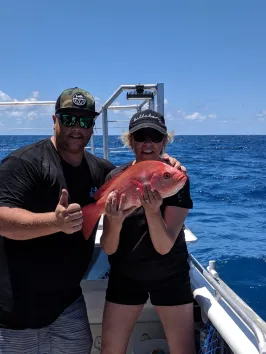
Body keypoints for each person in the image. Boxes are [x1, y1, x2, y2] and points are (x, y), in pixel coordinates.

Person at [0, 88, 185, 354]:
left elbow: (134, 176)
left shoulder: (100, 170)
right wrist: (55, 223)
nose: (77, 128)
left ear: (92, 126)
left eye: (85, 121)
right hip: (15, 311)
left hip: (68, 306)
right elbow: (2, 219)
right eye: (69, 119)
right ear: (55, 120)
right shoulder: (24, 163)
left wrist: (167, 167)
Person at [100, 110, 195, 354]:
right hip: (126, 274)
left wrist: (153, 211)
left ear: (164, 141)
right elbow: (109, 248)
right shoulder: (116, 178)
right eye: (141, 136)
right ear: (131, 141)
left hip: (170, 274)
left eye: (155, 136)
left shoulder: (175, 178)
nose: (148, 143)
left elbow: (164, 247)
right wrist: (116, 220)